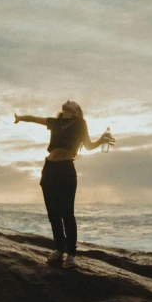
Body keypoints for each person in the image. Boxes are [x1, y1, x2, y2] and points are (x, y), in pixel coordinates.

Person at [15, 100, 114, 269]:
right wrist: (20, 118)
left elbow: (89, 146)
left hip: (66, 169)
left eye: (72, 103)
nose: (68, 101)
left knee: (67, 213)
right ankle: (59, 249)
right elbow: (35, 119)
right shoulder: (55, 123)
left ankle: (71, 255)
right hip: (49, 168)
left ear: (76, 111)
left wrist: (102, 140)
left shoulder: (80, 123)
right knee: (53, 213)